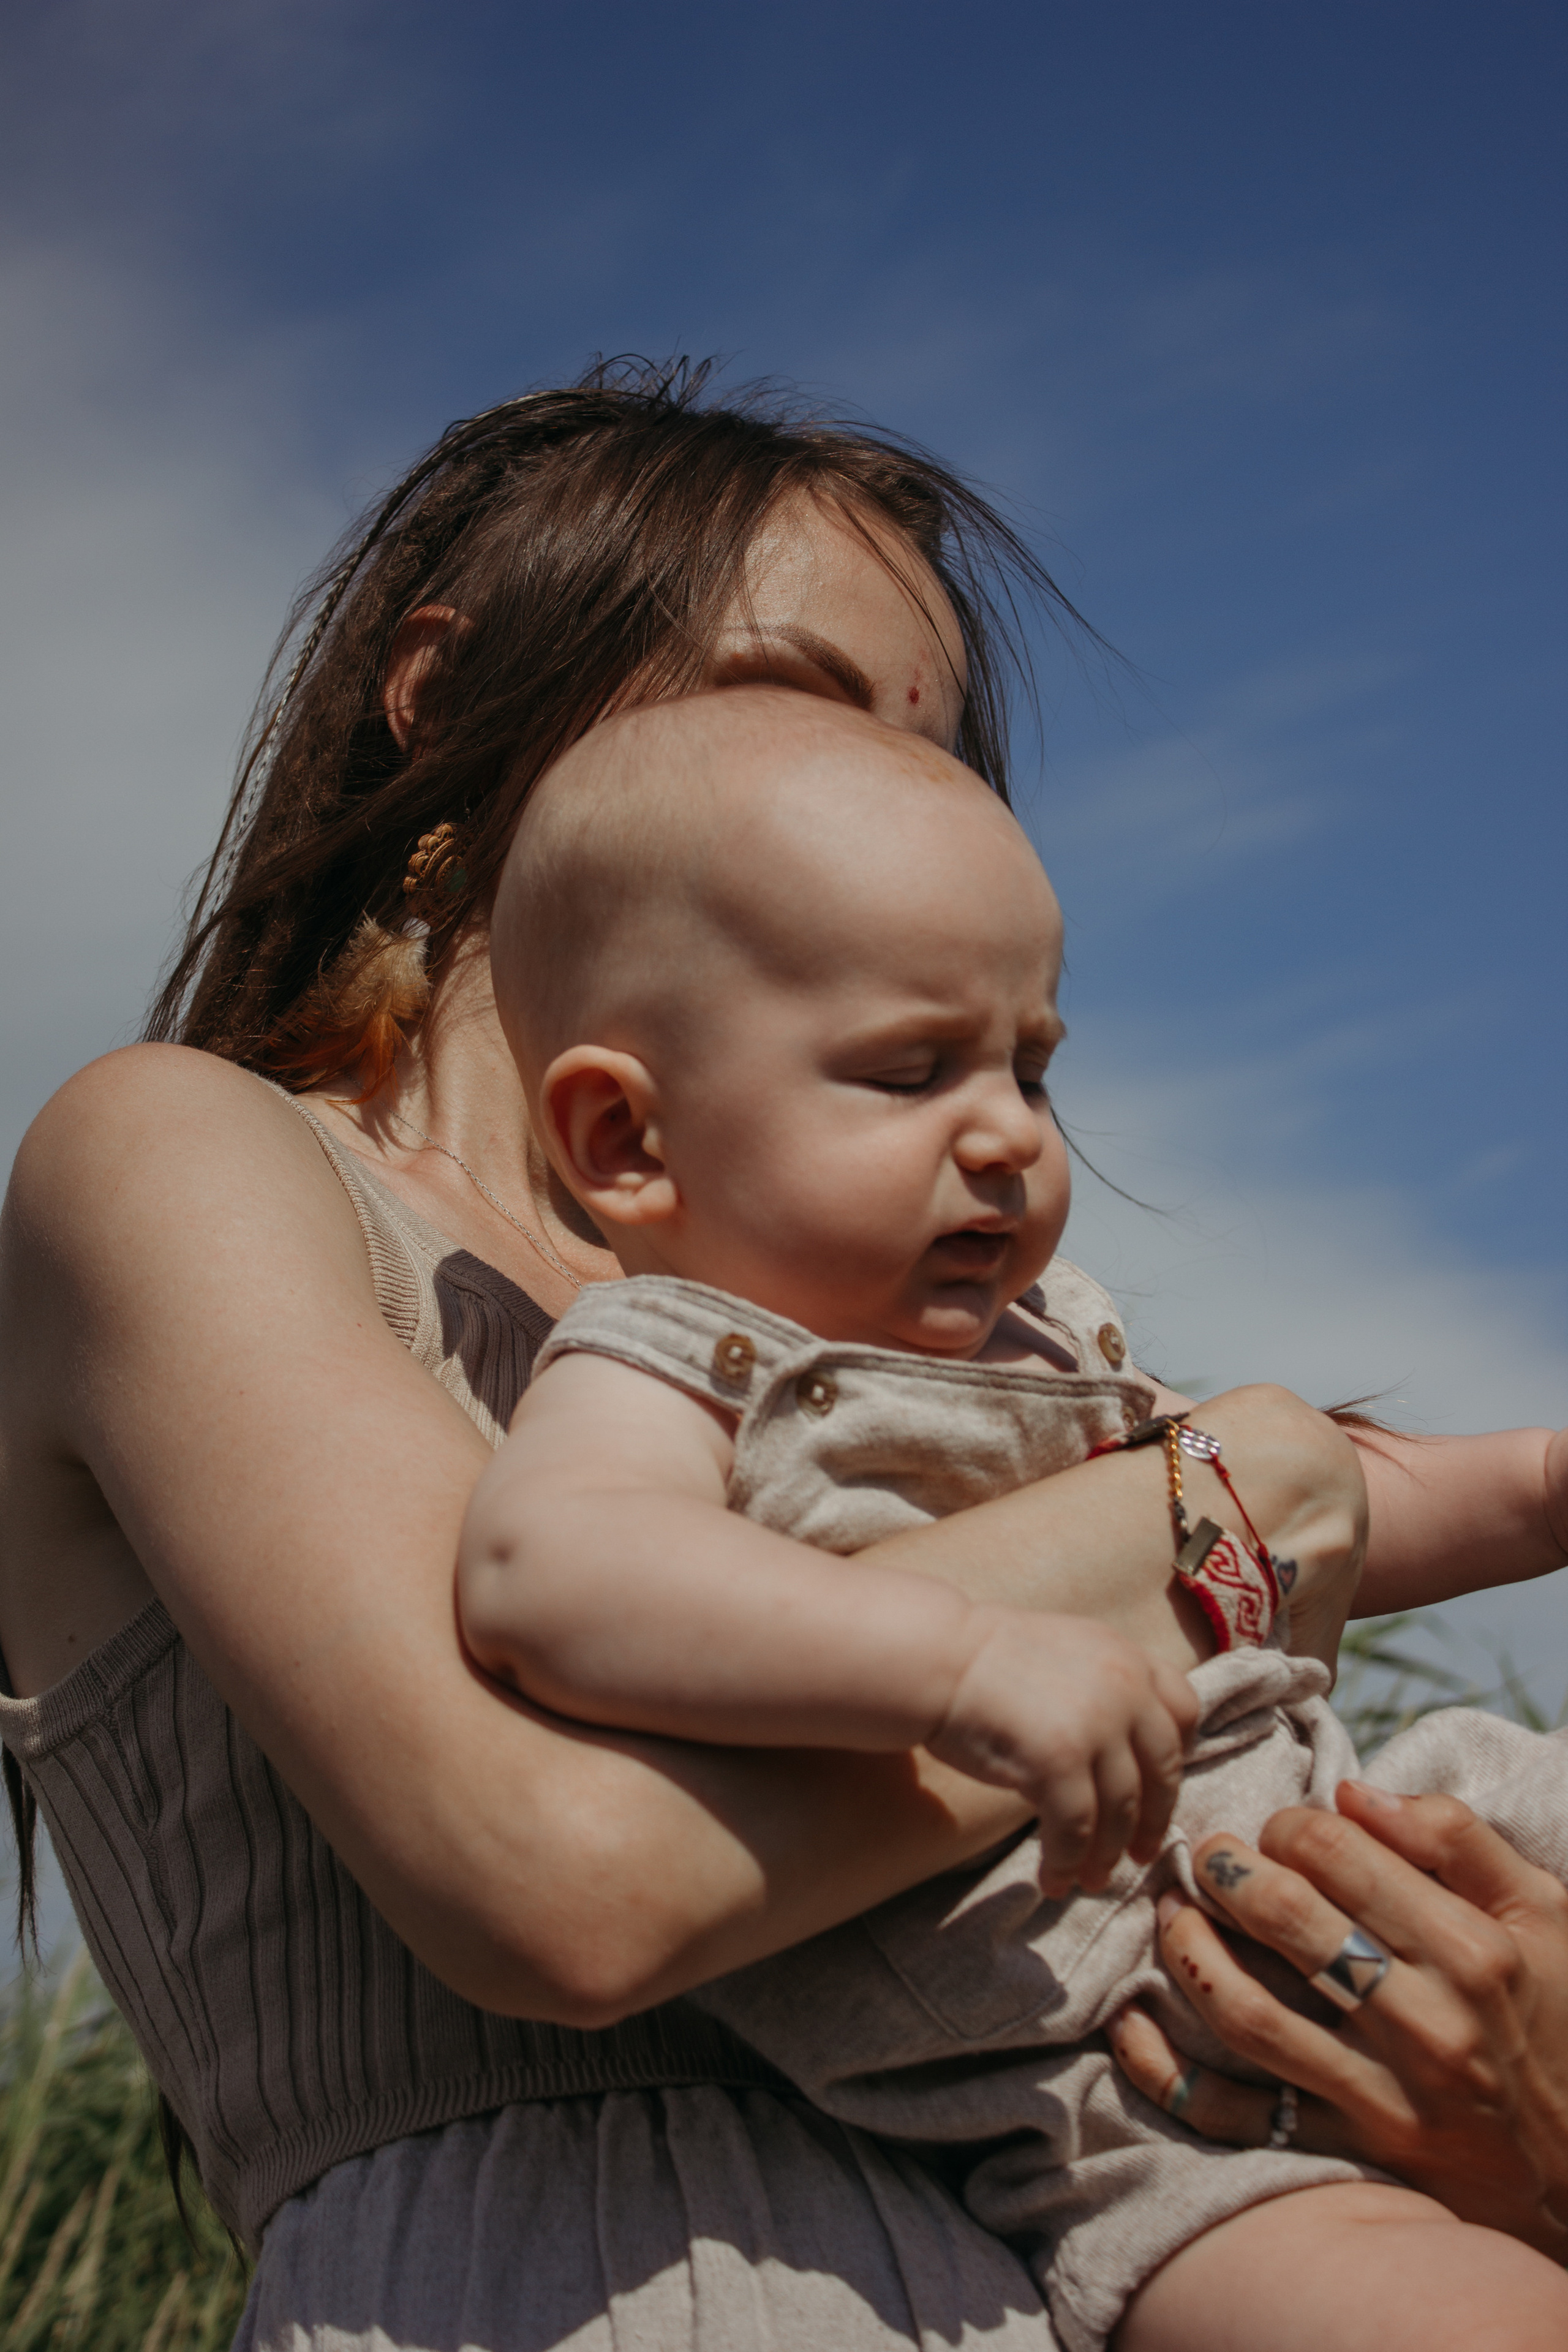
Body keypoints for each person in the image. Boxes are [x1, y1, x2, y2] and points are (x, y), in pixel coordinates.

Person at [0, 364, 1561, 2352]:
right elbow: (562, 1875)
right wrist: (1241, 1499)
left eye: (941, 761)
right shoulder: (189, 1157)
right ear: (440, 686)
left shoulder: (913, 1328)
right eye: (788, 693)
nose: (889, 793)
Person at [458, 682, 1568, 2351]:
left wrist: (1543, 1483)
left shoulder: (1040, 1343)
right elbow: (549, 1574)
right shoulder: (668, 1364)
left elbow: (1299, 1521)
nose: (1008, 1134)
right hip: (1128, 2075)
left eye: (1031, 1067)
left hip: (1351, 1817)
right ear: (626, 1136)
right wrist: (957, 1657)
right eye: (911, 1071)